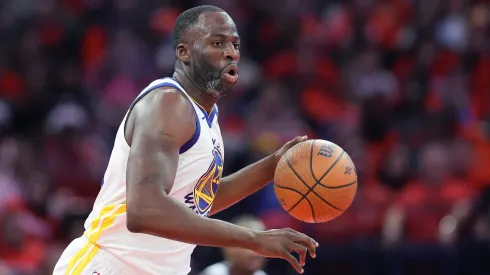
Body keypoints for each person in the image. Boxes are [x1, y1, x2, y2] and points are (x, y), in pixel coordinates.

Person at [53, 5, 317, 275]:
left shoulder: (207, 115)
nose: (231, 52)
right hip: (110, 264)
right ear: (184, 52)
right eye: (217, 43)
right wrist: (255, 239)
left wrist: (271, 166)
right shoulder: (168, 103)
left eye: (235, 44)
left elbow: (196, 202)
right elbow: (145, 210)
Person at [200, 215, 268, 275]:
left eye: (260, 247)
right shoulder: (214, 273)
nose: (255, 255)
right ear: (229, 247)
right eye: (248, 247)